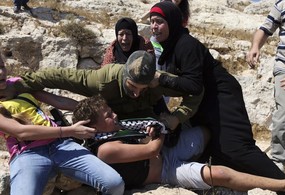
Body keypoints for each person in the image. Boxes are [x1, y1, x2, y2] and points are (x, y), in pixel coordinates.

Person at [148, 1, 285, 180]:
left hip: (222, 97)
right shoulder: (171, 47)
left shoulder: (186, 45)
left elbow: (193, 85)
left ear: (173, 22)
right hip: (205, 101)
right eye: (152, 22)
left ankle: (282, 185)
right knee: (217, 151)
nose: (153, 27)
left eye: (159, 21)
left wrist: (161, 78)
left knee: (237, 150)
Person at [72, 94, 285, 194]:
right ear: (95, 126)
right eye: (108, 115)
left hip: (167, 151)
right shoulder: (105, 150)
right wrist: (159, 131)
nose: (115, 115)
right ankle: (282, 184)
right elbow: (151, 149)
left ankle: (226, 162)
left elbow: (150, 143)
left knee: (205, 132)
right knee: (220, 174)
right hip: (167, 170)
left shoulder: (115, 129)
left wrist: (155, 132)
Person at [0, 62, 124, 195]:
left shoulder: (17, 84)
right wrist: (70, 131)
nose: (1, 72)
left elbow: (58, 101)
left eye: (2, 66)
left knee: (114, 183)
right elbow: (21, 132)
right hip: (28, 154)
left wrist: (95, 112)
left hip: (60, 145)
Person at [0, 50, 203, 131]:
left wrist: (178, 117)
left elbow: (195, 91)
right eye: (132, 87)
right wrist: (17, 86)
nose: (137, 93)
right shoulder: (102, 81)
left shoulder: (161, 81)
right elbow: (57, 77)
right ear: (124, 77)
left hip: (146, 120)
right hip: (110, 121)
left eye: (144, 88)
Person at [246, 1, 285, 173]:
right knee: (284, 111)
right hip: (284, 67)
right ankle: (278, 161)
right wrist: (255, 46)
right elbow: (265, 28)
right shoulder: (283, 4)